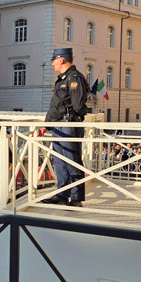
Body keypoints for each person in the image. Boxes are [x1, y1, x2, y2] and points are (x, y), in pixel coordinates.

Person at [38, 48, 90, 206]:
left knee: (72, 161)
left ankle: (76, 198)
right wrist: (46, 126)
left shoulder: (74, 78)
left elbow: (78, 105)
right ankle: (61, 195)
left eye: (54, 60)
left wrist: (73, 118)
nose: (52, 63)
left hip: (68, 125)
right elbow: (56, 106)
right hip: (58, 125)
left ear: (61, 60)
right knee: (60, 162)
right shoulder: (62, 79)